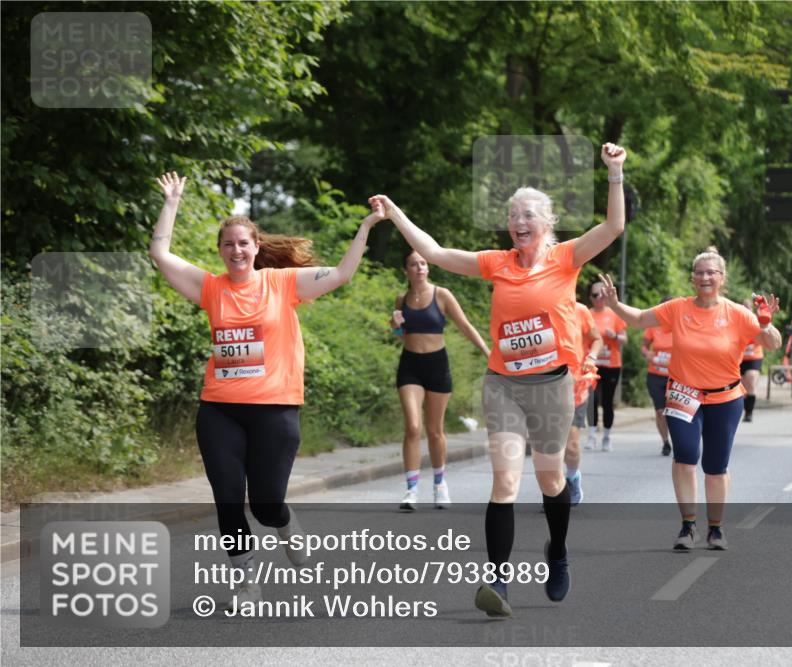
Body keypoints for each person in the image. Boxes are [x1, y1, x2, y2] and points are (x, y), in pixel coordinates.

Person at [370, 142, 628, 618]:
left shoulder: (566, 259)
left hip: (551, 385)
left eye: (528, 214)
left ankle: (558, 552)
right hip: (505, 384)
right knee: (505, 483)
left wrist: (614, 172)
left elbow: (613, 227)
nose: (518, 222)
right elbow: (433, 252)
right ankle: (498, 581)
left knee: (551, 481)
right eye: (513, 215)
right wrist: (396, 214)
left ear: (546, 223)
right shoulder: (497, 263)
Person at [148, 172, 383, 606]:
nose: (236, 251)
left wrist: (365, 227)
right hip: (219, 409)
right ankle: (245, 580)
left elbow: (344, 273)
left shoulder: (282, 284)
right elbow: (159, 252)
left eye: (243, 243)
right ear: (220, 252)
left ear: (256, 248)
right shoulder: (210, 288)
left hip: (275, 409)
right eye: (227, 245)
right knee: (228, 501)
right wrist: (172, 201)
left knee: (266, 504)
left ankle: (286, 526)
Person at [599, 248, 781, 552]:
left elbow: (772, 343)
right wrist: (615, 305)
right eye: (700, 272)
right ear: (692, 278)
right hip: (684, 394)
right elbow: (642, 319)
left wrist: (764, 323)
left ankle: (716, 529)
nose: (705, 277)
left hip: (725, 398)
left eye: (712, 272)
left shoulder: (737, 312)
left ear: (722, 279)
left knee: (715, 465)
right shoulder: (678, 309)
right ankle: (688, 526)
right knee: (684, 456)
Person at [391, 250, 490, 511]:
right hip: (410, 366)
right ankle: (411, 490)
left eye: (423, 263)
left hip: (437, 366)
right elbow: (402, 336)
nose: (420, 267)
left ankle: (439, 485)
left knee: (435, 430)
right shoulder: (402, 299)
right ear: (406, 271)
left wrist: (488, 353)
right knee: (413, 427)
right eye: (414, 264)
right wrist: (395, 325)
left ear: (428, 268)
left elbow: (465, 325)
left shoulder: (442, 295)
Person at [564, 299, 602, 504]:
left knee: (570, 444)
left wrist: (592, 356)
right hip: (544, 388)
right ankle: (553, 491)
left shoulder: (579, 310)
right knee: (549, 446)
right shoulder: (535, 310)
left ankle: (572, 477)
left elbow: (596, 339)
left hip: (575, 387)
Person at [587, 281, 628, 451]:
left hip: (611, 364)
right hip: (592, 364)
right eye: (596, 295)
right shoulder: (587, 314)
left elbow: (625, 339)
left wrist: (616, 336)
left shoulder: (614, 314)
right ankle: (591, 436)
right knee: (593, 400)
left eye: (603, 294)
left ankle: (607, 437)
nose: (600, 298)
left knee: (607, 402)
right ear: (591, 297)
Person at [641, 297, 674, 454]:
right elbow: (644, 346)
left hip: (676, 376)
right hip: (655, 374)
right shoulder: (653, 327)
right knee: (660, 412)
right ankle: (665, 442)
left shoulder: (681, 326)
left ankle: (679, 438)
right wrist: (647, 354)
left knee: (673, 411)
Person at [740, 298, 764, 423]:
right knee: (743, 387)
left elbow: (765, 336)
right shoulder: (736, 321)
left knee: (751, 379)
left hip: (754, 356)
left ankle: (749, 413)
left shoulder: (756, 321)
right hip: (739, 358)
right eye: (743, 307)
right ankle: (745, 408)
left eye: (748, 308)